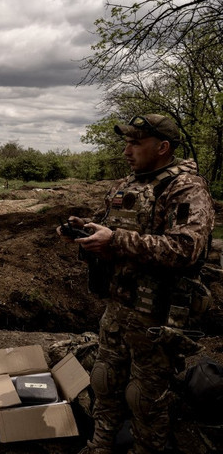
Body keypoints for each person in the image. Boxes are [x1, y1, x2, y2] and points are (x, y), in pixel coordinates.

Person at [58, 114, 215, 454]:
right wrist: (86, 230)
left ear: (162, 147)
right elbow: (109, 229)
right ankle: (100, 444)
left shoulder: (185, 188)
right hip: (119, 306)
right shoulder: (124, 185)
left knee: (145, 396)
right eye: (126, 143)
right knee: (105, 381)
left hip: (157, 315)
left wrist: (115, 241)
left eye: (135, 143)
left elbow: (187, 250)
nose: (127, 151)